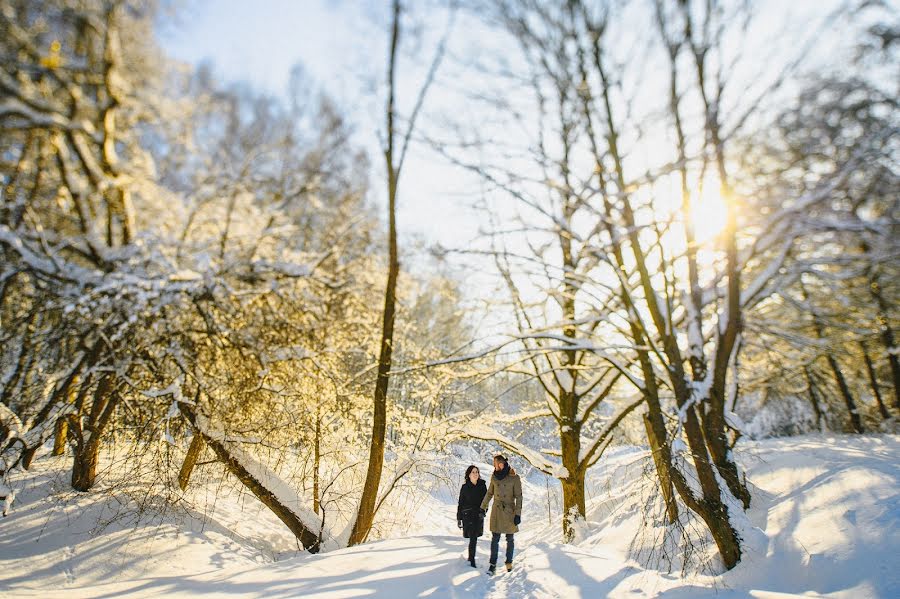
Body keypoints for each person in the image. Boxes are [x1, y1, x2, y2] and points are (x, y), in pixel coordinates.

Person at [479, 454, 522, 575]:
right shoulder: (494, 476)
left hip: (509, 511)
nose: (498, 466)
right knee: (495, 538)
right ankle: (492, 565)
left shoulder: (514, 477)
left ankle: (509, 562)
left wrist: (518, 514)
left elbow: (519, 497)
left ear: (503, 463)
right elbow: (489, 493)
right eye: (496, 464)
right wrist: (482, 507)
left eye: (499, 463)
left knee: (510, 538)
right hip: (497, 510)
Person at [456, 465, 487, 567]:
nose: (475, 474)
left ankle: (471, 557)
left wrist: (484, 511)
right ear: (469, 474)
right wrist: (459, 518)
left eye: (477, 472)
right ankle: (472, 559)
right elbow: (460, 503)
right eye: (473, 472)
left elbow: (486, 501)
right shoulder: (465, 487)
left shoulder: (482, 485)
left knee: (474, 537)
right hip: (467, 515)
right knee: (472, 537)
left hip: (478, 514)